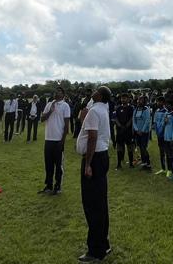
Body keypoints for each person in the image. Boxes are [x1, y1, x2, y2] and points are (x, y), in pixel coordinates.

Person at [76, 86, 112, 262]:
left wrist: (88, 164)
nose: (93, 91)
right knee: (100, 202)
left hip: (94, 158)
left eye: (97, 90)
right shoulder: (103, 109)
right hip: (102, 155)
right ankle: (103, 244)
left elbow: (92, 137)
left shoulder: (94, 111)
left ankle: (95, 250)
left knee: (92, 205)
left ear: (100, 95)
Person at [39, 86, 71, 195]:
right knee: (48, 164)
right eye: (56, 91)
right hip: (48, 139)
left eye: (60, 92)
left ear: (63, 94)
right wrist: (50, 111)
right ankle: (48, 185)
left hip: (58, 140)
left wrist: (62, 141)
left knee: (58, 165)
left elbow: (66, 125)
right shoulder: (49, 104)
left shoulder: (65, 106)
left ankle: (57, 186)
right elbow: (42, 119)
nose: (57, 93)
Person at [113, 94, 134, 170]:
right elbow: (115, 118)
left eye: (124, 98)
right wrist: (120, 125)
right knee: (119, 148)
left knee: (130, 148)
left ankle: (131, 164)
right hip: (120, 131)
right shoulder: (118, 108)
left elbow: (132, 118)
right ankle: (119, 164)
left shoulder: (131, 108)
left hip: (128, 131)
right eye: (122, 98)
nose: (123, 100)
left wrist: (127, 126)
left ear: (128, 99)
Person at [132, 96, 152, 170]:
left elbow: (147, 120)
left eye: (141, 100)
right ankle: (144, 163)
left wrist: (142, 130)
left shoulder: (146, 109)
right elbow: (134, 120)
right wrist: (137, 129)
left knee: (143, 148)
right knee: (140, 147)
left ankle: (148, 163)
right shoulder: (136, 109)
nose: (139, 101)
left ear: (144, 102)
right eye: (138, 100)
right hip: (138, 132)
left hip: (144, 132)